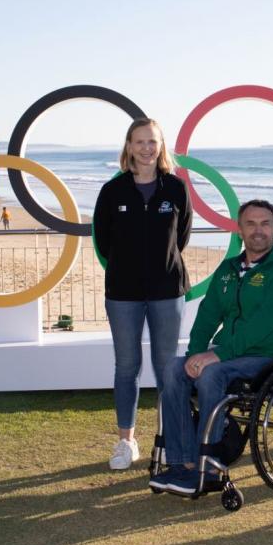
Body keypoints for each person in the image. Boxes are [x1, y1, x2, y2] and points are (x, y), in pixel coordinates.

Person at [149, 199, 273, 495]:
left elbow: (263, 324)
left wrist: (216, 355)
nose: (258, 230)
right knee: (173, 368)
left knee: (212, 375)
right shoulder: (228, 268)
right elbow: (208, 315)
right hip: (230, 352)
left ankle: (208, 465)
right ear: (239, 231)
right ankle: (181, 464)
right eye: (250, 223)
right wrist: (195, 354)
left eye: (265, 224)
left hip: (270, 355)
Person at [93, 117, 192, 470]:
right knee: (127, 366)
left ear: (161, 146)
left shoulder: (176, 189)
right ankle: (126, 442)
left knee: (167, 369)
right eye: (140, 142)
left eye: (153, 142)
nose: (147, 148)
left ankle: (167, 442)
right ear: (129, 146)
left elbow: (180, 238)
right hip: (123, 293)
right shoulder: (113, 191)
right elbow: (103, 241)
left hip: (168, 292)